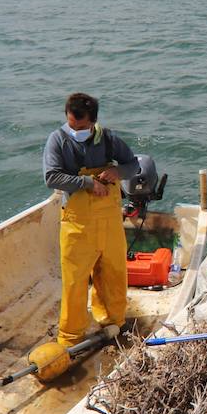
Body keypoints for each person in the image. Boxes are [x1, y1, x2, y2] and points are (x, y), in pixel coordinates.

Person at [43, 92, 140, 348]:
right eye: (72, 125)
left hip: (110, 222)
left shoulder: (108, 139)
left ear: (93, 122)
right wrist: (87, 183)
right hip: (77, 224)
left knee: (113, 273)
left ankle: (113, 320)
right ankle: (71, 335)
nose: (76, 131)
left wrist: (117, 171)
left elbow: (133, 165)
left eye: (82, 127)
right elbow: (51, 177)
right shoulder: (57, 140)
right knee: (74, 281)